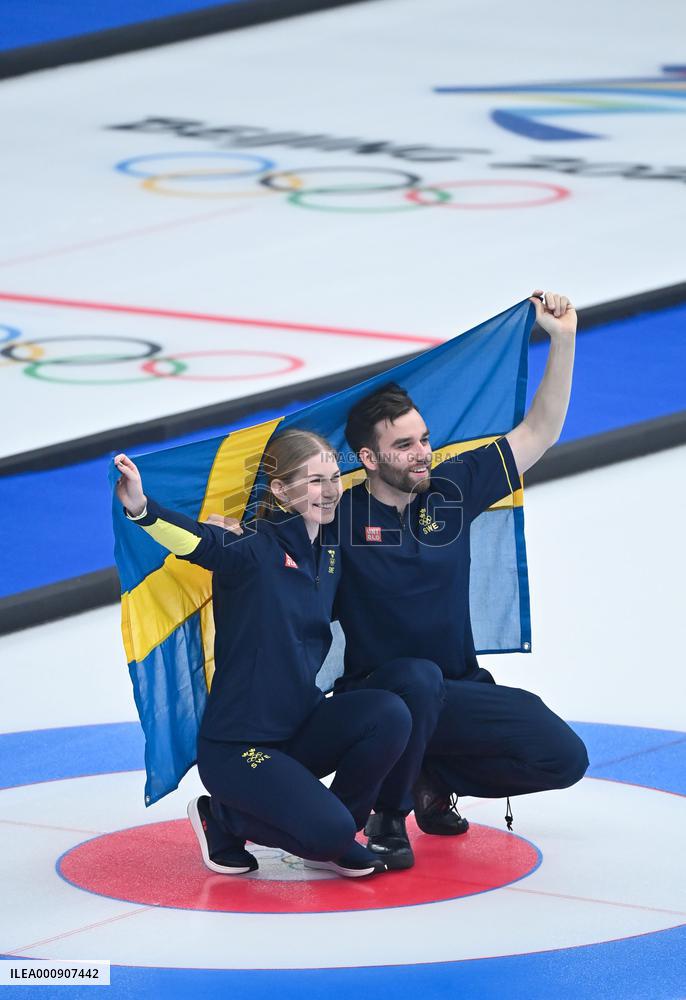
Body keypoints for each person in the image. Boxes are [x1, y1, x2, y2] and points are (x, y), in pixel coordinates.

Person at [331, 290, 589, 869]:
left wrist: (563, 340)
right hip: (380, 698)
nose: (422, 453)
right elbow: (261, 556)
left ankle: (432, 774)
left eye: (424, 438)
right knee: (418, 680)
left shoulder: (451, 490)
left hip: (456, 690)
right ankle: (387, 815)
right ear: (369, 459)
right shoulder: (336, 519)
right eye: (404, 446)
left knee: (563, 756)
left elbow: (540, 432)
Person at [114, 430, 412, 878]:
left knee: (389, 713)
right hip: (240, 747)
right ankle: (223, 817)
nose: (330, 490)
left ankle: (334, 834)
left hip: (298, 730)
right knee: (327, 830)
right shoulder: (252, 547)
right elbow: (199, 542)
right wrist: (141, 508)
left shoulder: (329, 550)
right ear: (281, 490)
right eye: (315, 481)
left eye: (334, 477)